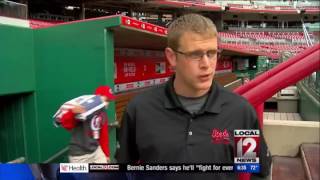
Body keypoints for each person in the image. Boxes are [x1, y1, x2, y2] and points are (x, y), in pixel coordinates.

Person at [116, 14, 271, 179]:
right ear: (172, 57)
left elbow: (257, 170)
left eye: (211, 53)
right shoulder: (140, 109)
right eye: (195, 54)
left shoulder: (239, 111)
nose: (206, 64)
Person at [55, 85, 115, 163]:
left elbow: (104, 135)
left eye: (109, 101)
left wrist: (106, 154)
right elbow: (67, 125)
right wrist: (72, 113)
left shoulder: (102, 113)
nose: (107, 103)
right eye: (106, 100)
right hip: (79, 155)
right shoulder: (84, 110)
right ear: (98, 97)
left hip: (96, 151)